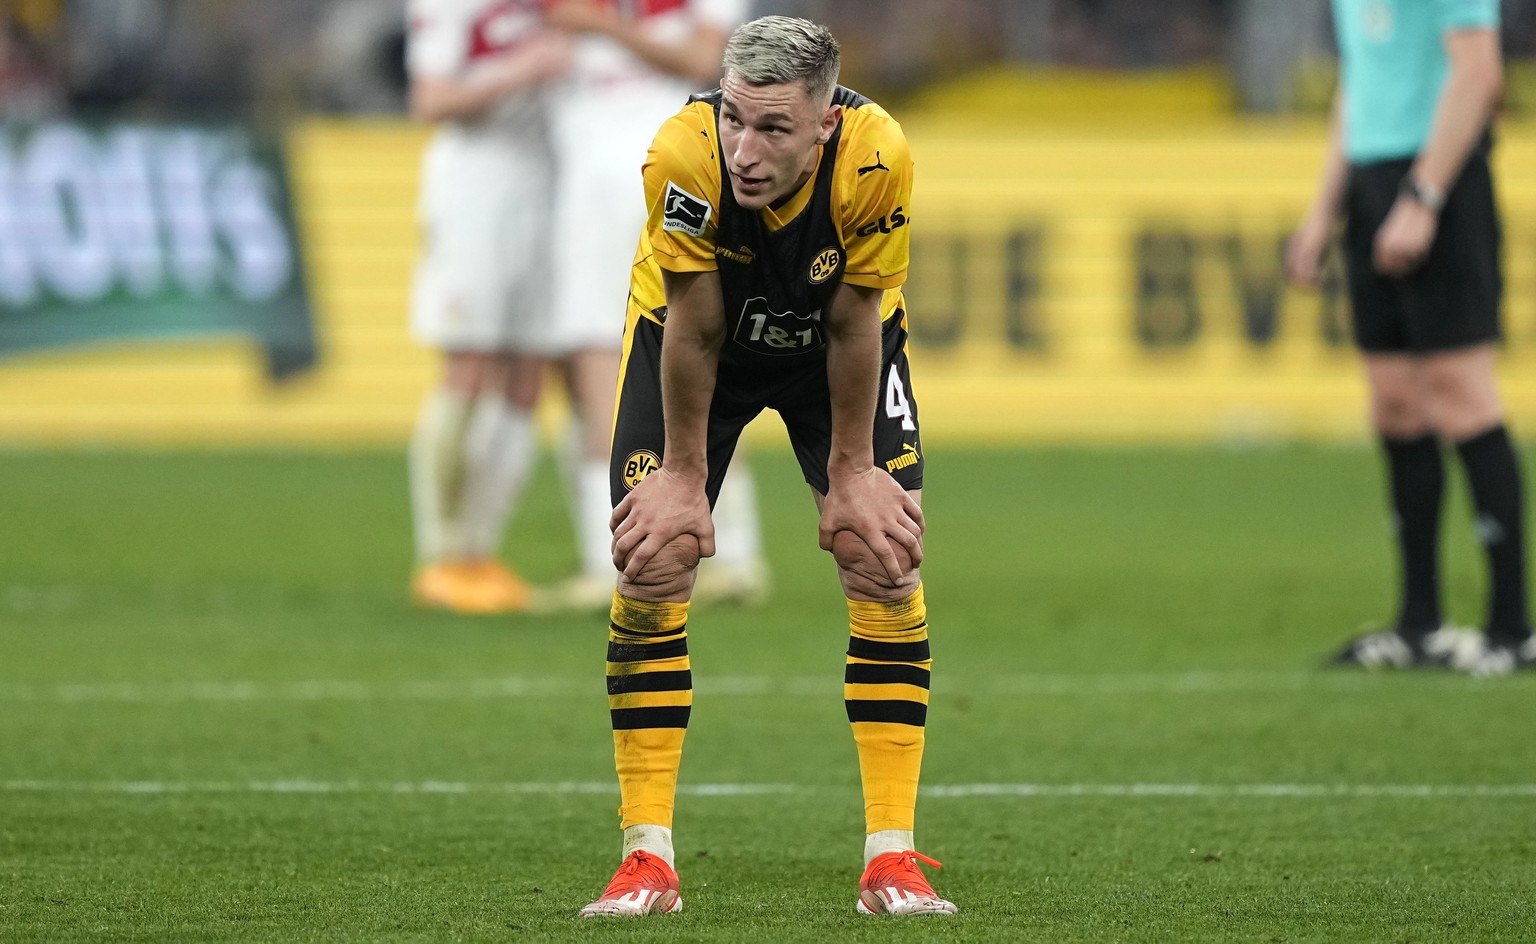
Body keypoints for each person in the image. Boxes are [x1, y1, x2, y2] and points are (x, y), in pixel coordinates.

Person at [578, 16, 956, 918]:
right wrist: (676, 475)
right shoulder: (683, 153)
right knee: (656, 557)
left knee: (882, 553)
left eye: (775, 129)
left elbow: (861, 316)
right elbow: (696, 327)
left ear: (825, 123)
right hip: (696, 345)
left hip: (830, 349)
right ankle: (646, 861)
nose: (746, 150)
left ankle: (892, 861)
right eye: (737, 120)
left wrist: (856, 471)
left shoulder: (877, 156)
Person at [1286, 0, 1533, 675]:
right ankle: (1420, 623)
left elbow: (1478, 75)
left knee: (1462, 390)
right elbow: (1359, 87)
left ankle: (1513, 628)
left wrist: (1423, 196)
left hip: (1439, 181)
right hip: (1371, 184)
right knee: (1394, 401)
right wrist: (1321, 214)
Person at [531, 0, 770, 613]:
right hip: (593, 176)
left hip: (665, 168)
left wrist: (602, 27)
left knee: (660, 354)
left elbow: (706, 59)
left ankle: (652, 556)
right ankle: (706, 554)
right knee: (615, 357)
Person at [404, 0, 569, 614]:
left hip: (552, 187)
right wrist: (520, 70)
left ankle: (480, 550)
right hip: (476, 187)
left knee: (528, 378)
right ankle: (441, 554)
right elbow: (430, 100)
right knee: (468, 366)